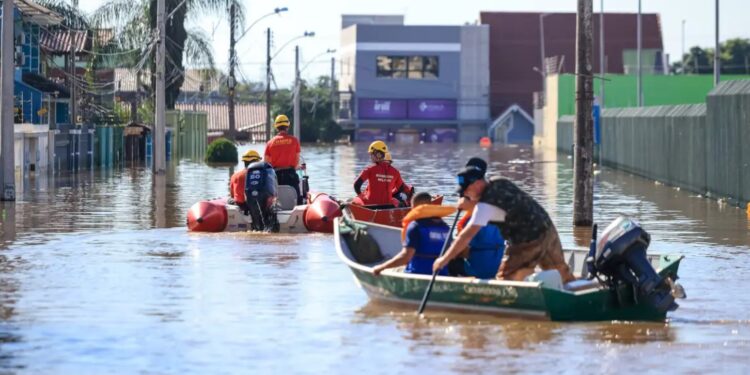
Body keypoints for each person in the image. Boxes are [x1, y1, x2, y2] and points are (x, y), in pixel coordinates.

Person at [432, 158, 575, 283]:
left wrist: (443, 259)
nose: (464, 194)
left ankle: (510, 306)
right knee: (561, 272)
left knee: (505, 278)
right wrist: (472, 205)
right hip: (546, 228)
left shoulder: (483, 208)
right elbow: (502, 206)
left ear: (477, 184)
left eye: (465, 190)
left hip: (528, 239)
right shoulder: (500, 181)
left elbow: (465, 236)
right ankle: (575, 293)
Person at [373, 192, 450, 276]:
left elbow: (405, 257)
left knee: (391, 270)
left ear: (414, 207)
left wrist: (381, 267)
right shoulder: (445, 227)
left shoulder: (415, 227)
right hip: (441, 273)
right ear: (430, 205)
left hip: (417, 273)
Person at [353, 141, 407, 207]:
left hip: (370, 205)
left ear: (378, 154)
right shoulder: (395, 171)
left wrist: (361, 196)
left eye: (371, 154)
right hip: (388, 205)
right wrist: (390, 193)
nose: (370, 156)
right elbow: (401, 188)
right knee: (394, 200)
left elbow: (356, 185)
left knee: (355, 199)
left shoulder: (369, 169)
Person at [264, 114, 303, 204]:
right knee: (298, 197)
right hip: (290, 175)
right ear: (287, 126)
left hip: (275, 176)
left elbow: (266, 163)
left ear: (276, 127)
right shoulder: (294, 140)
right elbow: (296, 162)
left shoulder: (270, 143)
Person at [244, 159, 279, 232]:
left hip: (249, 204)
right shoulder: (268, 172)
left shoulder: (242, 174)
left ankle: (257, 226)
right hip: (266, 201)